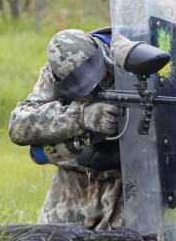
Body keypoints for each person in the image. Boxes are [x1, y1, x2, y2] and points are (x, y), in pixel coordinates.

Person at [8, 28, 144, 230]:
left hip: (130, 175)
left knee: (131, 240)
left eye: (97, 73)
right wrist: (80, 117)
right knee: (50, 240)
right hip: (78, 172)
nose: (92, 85)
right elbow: (19, 125)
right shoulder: (58, 70)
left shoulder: (126, 58)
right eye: (79, 83)